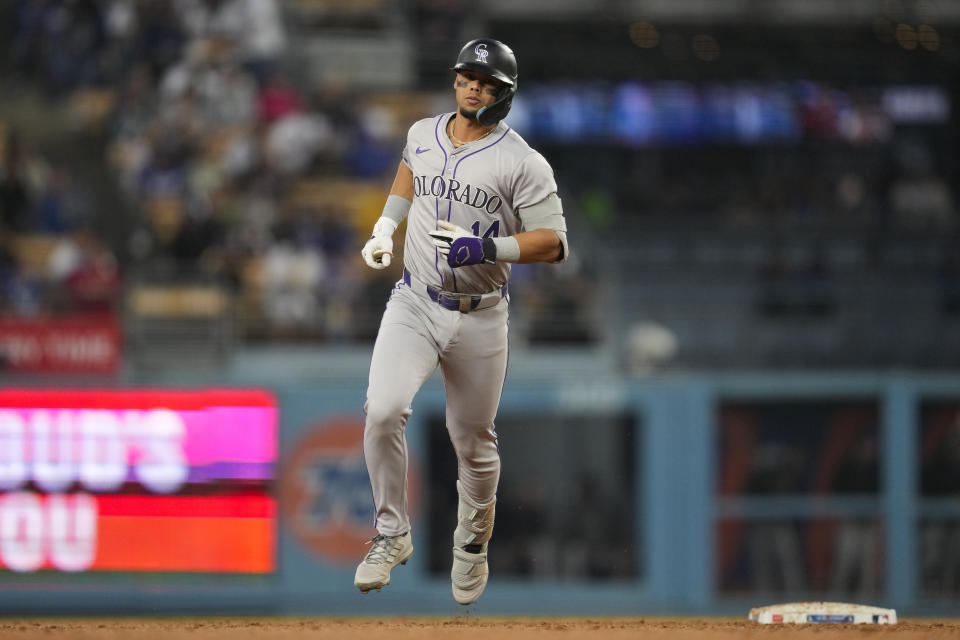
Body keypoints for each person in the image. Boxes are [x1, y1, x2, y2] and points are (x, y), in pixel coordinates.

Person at [354, 37, 569, 605]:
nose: (473, 86)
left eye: (487, 81)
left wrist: (489, 249)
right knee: (382, 410)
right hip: (415, 301)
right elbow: (408, 175)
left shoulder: (523, 161)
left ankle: (472, 543)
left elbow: (553, 242)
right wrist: (384, 228)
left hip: (481, 316)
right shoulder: (423, 133)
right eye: (467, 76)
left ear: (505, 94)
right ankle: (391, 533)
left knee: (472, 441)